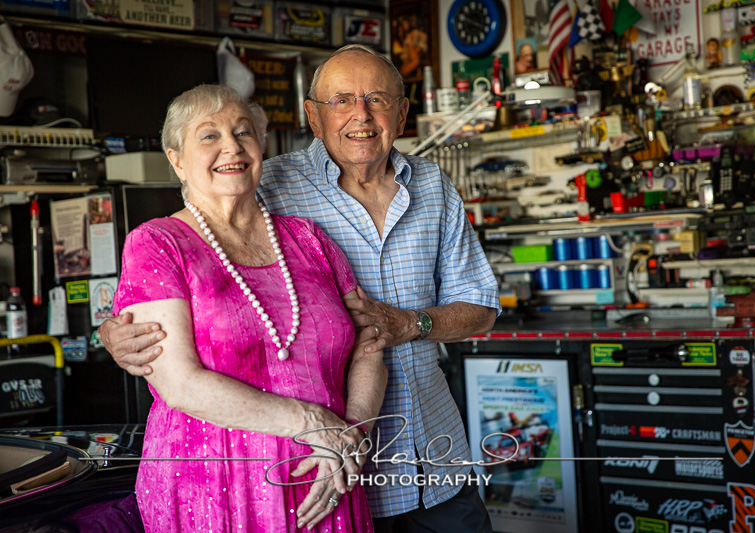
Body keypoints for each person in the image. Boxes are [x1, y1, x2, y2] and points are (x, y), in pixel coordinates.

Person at [101, 44, 500, 533]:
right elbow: (184, 271)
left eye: (377, 99)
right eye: (342, 101)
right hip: (307, 474)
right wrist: (119, 331)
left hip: (425, 460)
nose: (362, 115)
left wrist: (413, 324)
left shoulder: (432, 186)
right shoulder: (265, 182)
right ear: (313, 116)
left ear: (401, 111)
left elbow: (481, 309)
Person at [112, 84, 385, 532]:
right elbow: (179, 384)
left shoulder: (308, 239)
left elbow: (370, 345)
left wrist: (348, 436)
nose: (231, 147)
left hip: (329, 475)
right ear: (176, 159)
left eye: (243, 132)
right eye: (208, 136)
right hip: (213, 487)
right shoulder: (156, 244)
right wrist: (312, 422)